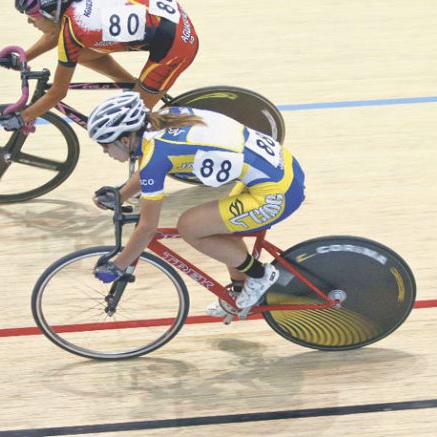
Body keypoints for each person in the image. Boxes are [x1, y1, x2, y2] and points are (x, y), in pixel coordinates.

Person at [87, 92, 306, 316]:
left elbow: (147, 227)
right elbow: (150, 168)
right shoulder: (164, 118)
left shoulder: (156, 156)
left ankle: (260, 275)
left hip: (276, 194)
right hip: (282, 169)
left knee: (190, 226)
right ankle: (241, 292)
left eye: (104, 145)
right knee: (218, 225)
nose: (104, 151)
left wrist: (119, 265)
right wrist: (120, 195)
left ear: (125, 140)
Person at [0, 0, 199, 132]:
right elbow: (55, 33)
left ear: (51, 11)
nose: (30, 22)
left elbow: (57, 93)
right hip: (166, 20)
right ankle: (132, 85)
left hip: (176, 45)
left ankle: (149, 162)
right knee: (81, 53)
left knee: (129, 121)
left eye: (32, 16)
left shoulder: (76, 29)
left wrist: (23, 117)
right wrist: (24, 58)